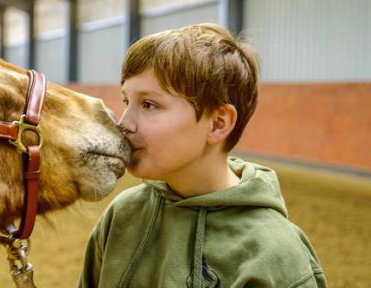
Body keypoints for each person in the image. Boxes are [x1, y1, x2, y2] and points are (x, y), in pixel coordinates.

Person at [78, 23, 327, 288]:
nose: (125, 123)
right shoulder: (122, 215)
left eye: (150, 104)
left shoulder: (275, 253)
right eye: (126, 101)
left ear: (218, 123)